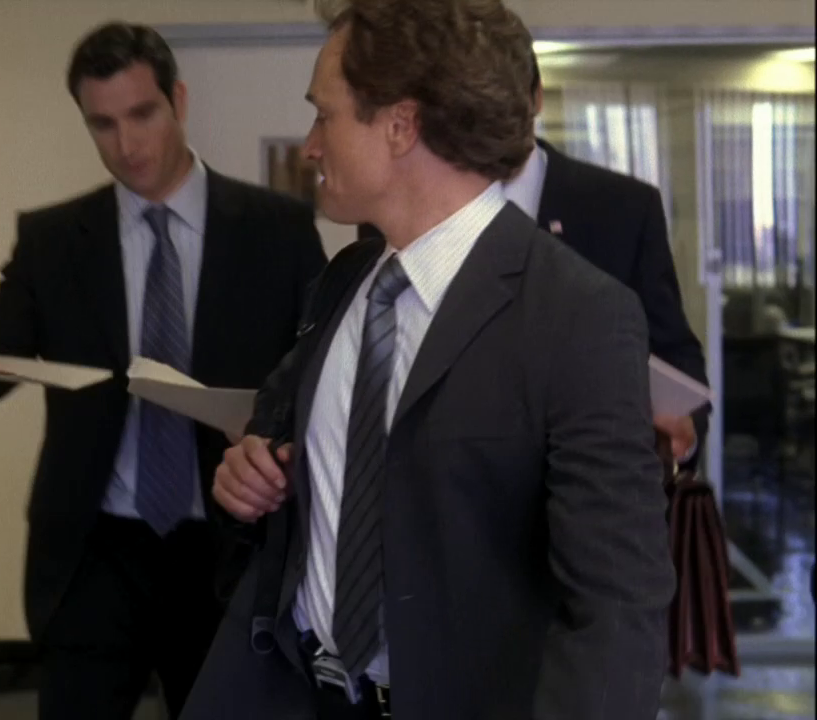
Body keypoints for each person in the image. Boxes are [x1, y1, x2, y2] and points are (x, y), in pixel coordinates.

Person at [182, 1, 676, 718]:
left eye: (325, 115)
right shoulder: (345, 279)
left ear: (401, 125)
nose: (311, 145)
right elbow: (285, 450)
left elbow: (617, 606)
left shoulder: (578, 315)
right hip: (296, 694)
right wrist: (251, 476)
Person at [0, 21, 327, 720]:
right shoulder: (54, 240)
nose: (127, 144)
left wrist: (277, 442)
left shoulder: (278, 228)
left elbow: (319, 374)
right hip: (95, 552)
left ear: (178, 101)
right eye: (102, 124)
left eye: (142, 114)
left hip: (229, 547)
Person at [359, 48, 709, 467]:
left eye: (499, 101)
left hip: (590, 477)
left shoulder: (623, 208)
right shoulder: (396, 209)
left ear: (536, 97)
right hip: (442, 482)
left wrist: (684, 431)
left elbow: (675, 356)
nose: (487, 120)